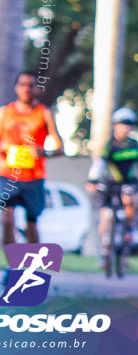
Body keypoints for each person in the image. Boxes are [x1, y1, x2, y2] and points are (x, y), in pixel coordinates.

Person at [0, 70, 64, 274]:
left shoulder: (43, 113)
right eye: (22, 84)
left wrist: (43, 152)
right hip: (7, 173)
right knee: (7, 218)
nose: (26, 88)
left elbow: (60, 148)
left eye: (31, 85)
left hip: (34, 176)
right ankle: (12, 266)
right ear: (16, 88)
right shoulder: (3, 113)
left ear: (37, 89)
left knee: (31, 225)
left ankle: (34, 268)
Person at [86, 107, 138, 270]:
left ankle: (130, 230)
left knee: (131, 200)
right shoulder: (109, 145)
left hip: (129, 183)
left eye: (128, 124)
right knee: (105, 216)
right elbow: (99, 164)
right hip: (108, 184)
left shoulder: (134, 145)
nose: (125, 127)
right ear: (115, 125)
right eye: (122, 124)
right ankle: (104, 250)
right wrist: (92, 180)